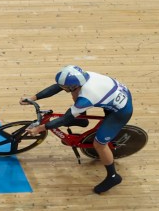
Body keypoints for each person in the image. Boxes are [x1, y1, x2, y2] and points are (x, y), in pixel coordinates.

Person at [21, 65, 134, 194]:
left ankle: (113, 176)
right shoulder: (81, 78)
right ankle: (81, 120)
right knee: (75, 99)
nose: (63, 89)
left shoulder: (87, 97)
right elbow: (58, 86)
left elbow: (64, 119)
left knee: (99, 144)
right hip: (113, 94)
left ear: (74, 84)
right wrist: (33, 98)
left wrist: (40, 128)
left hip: (120, 112)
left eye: (65, 88)